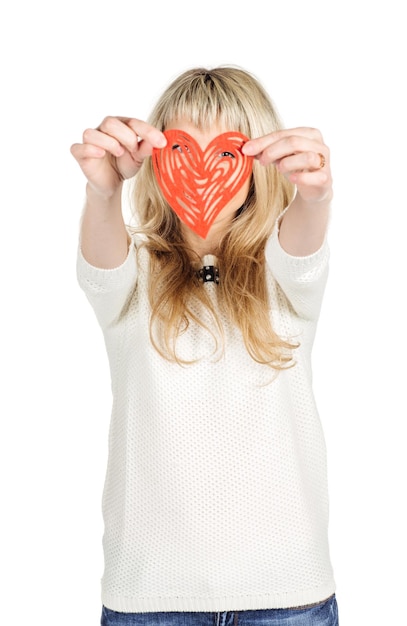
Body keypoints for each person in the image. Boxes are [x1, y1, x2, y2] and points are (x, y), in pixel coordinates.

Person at [71, 66, 339, 626]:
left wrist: (315, 197)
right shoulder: (134, 272)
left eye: (223, 152)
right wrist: (103, 191)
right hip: (150, 601)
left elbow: (303, 245)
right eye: (181, 147)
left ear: (256, 162)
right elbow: (101, 270)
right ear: (157, 158)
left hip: (287, 596)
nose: (201, 169)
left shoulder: (282, 273)